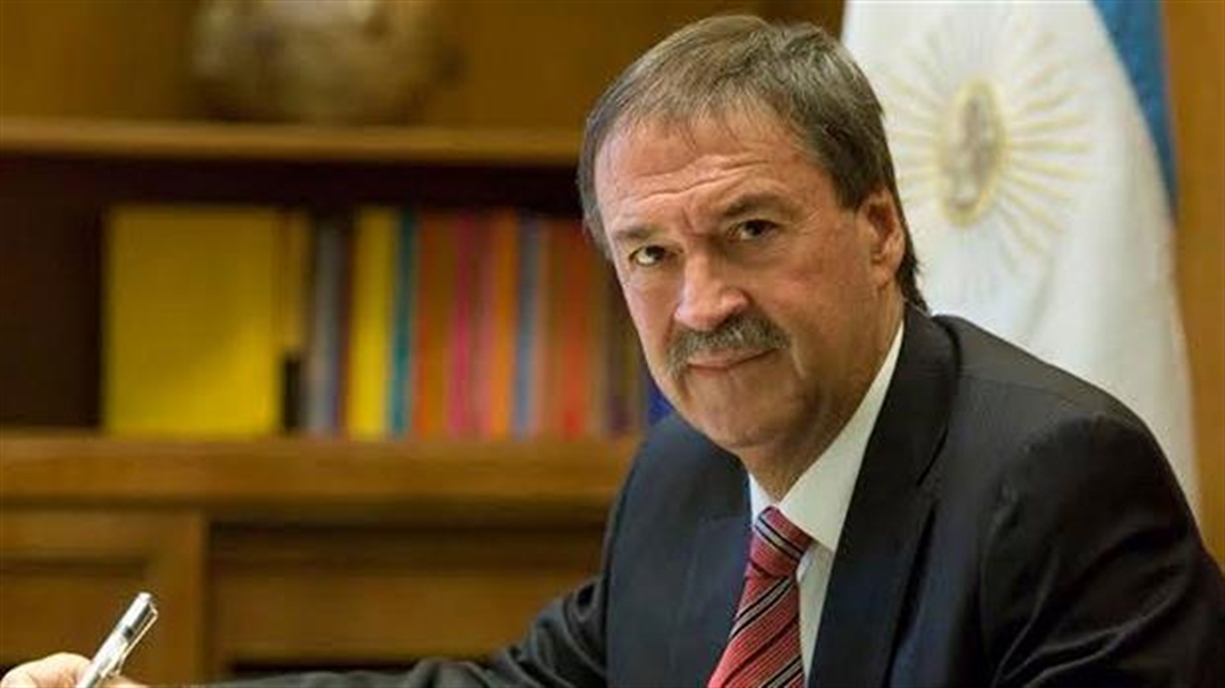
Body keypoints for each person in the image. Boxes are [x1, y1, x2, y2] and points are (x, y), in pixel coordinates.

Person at [5, 14, 1222, 688]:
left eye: (749, 231)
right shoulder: (684, 476)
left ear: (878, 229)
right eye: (650, 254)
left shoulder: (1055, 484)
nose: (700, 304)